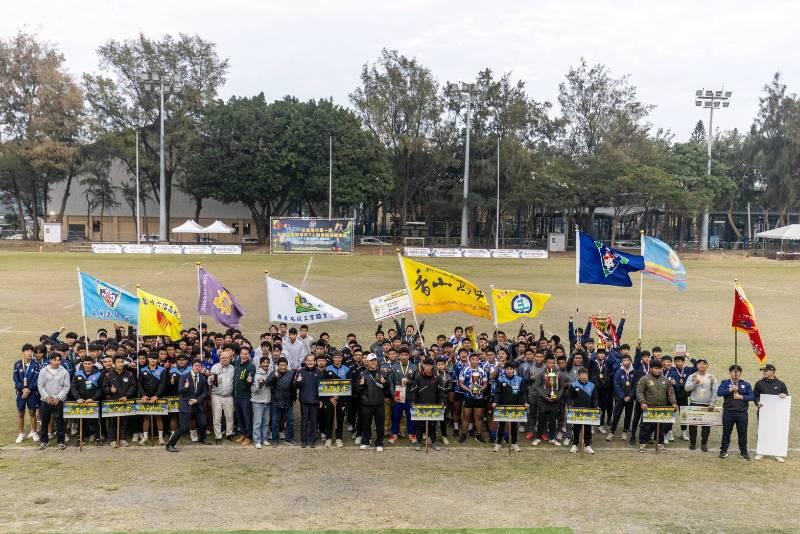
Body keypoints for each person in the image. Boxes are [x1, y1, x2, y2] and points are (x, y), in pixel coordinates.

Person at [165, 360, 211, 452]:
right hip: (186, 404)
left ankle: (202, 438)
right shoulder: (184, 376)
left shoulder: (202, 378)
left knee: (203, 424)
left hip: (197, 404)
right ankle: (170, 445)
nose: (197, 367)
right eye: (196, 365)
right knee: (183, 427)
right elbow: (180, 391)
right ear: (192, 366)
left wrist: (197, 400)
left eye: (199, 366)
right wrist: (185, 387)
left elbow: (205, 392)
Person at [636, 360, 677, 454]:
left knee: (661, 427)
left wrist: (674, 403)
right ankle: (642, 444)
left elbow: (670, 393)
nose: (658, 370)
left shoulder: (666, 380)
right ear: (651, 369)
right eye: (655, 368)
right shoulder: (645, 379)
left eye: (659, 368)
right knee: (645, 427)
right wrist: (642, 402)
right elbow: (639, 392)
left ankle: (660, 444)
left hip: (662, 408)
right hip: (648, 408)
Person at [753, 363, 789, 462]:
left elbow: (786, 395)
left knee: (776, 431)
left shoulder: (780, 384)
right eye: (763, 370)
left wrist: (784, 395)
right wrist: (757, 402)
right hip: (763, 412)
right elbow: (755, 396)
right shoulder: (759, 383)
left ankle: (777, 453)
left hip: (777, 414)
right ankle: (761, 451)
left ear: (772, 371)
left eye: (766, 370)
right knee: (762, 431)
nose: (764, 372)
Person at [717, 364, 754, 460]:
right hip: (728, 412)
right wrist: (730, 389)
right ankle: (723, 451)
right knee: (726, 433)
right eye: (734, 371)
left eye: (737, 372)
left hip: (742, 413)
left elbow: (752, 396)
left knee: (742, 433)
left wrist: (741, 396)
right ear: (730, 372)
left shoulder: (746, 384)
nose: (736, 373)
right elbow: (719, 393)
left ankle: (744, 452)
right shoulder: (725, 382)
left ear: (740, 373)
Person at [36, 352, 71, 450]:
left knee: (60, 422)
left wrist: (58, 398)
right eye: (54, 360)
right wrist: (47, 397)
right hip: (45, 400)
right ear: (50, 360)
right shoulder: (43, 371)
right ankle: (44, 441)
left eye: (58, 360)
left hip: (58, 401)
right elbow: (40, 385)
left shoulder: (64, 371)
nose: (56, 362)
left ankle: (61, 441)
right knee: (45, 421)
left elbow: (66, 386)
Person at [409, 357, 443, 451]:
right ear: (422, 366)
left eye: (430, 365)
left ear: (432, 366)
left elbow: (440, 392)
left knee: (432, 425)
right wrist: (413, 402)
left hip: (433, 405)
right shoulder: (417, 378)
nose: (428, 367)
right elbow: (414, 392)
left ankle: (434, 442)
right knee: (419, 425)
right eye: (426, 365)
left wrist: (441, 403)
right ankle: (419, 442)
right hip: (420, 404)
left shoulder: (437, 378)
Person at [357, 353, 389, 452]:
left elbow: (387, 390)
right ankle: (366, 441)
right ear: (367, 362)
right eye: (371, 360)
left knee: (380, 424)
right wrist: (361, 385)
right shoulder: (362, 374)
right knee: (366, 424)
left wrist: (385, 383)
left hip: (379, 403)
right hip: (366, 403)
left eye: (374, 360)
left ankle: (379, 442)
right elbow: (358, 391)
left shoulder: (382, 373)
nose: (373, 362)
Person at [103, 354, 137, 447]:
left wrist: (127, 396)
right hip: (112, 401)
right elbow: (103, 388)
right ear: (114, 364)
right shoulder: (108, 375)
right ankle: (112, 439)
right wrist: (110, 390)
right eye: (118, 362)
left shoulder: (129, 374)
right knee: (111, 421)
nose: (121, 364)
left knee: (124, 421)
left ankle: (122, 438)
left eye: (122, 362)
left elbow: (133, 386)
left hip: (125, 401)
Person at [684, 358, 717, 452]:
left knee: (706, 426)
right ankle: (693, 443)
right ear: (697, 365)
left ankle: (704, 444)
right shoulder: (692, 376)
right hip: (694, 403)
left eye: (704, 364)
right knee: (692, 426)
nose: (702, 365)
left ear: (707, 365)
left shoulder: (711, 377)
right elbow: (686, 388)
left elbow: (715, 390)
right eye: (700, 364)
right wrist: (695, 382)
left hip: (707, 405)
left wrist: (712, 403)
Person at [70, 356, 104, 446]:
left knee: (95, 421)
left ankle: (97, 438)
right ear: (82, 364)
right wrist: (78, 398)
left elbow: (100, 389)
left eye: (89, 363)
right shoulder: (77, 374)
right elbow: (73, 387)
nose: (87, 365)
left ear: (93, 364)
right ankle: (81, 438)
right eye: (85, 363)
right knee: (82, 420)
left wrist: (93, 398)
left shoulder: (98, 374)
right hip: (81, 402)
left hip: (93, 401)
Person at [492, 362, 525, 452]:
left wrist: (524, 402)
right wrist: (495, 402)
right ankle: (498, 443)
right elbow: (497, 392)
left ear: (514, 370)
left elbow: (522, 393)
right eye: (507, 369)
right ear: (505, 370)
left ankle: (514, 444)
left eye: (511, 369)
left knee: (514, 426)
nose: (509, 371)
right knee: (501, 425)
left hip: (515, 406)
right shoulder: (500, 379)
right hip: (503, 406)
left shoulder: (519, 379)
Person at [137, 352, 168, 445]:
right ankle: (145, 438)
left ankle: (160, 438)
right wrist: (143, 395)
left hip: (158, 397)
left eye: (155, 358)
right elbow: (139, 384)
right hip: (145, 397)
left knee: (159, 417)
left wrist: (157, 395)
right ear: (148, 359)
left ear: (157, 360)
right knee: (146, 417)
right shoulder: (143, 370)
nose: (153, 360)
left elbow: (163, 385)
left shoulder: (162, 370)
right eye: (151, 358)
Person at [533, 355, 564, 446]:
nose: (551, 364)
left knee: (552, 421)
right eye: (549, 363)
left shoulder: (559, 374)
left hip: (554, 401)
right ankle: (538, 438)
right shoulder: (542, 374)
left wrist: (558, 396)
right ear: (546, 363)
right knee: (541, 420)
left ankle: (552, 438)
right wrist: (544, 396)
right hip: (544, 401)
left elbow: (562, 387)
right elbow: (536, 386)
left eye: (553, 363)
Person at [389, 347, 418, 444]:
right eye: (402, 355)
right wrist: (393, 395)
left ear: (409, 356)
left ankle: (411, 434)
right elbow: (391, 383)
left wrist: (409, 381)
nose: (404, 357)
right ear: (398, 356)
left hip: (410, 396)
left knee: (410, 416)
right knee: (396, 416)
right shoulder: (394, 367)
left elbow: (417, 382)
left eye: (406, 355)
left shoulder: (414, 367)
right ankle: (394, 434)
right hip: (398, 395)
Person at [567, 367, 598, 454]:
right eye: (582, 374)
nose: (584, 376)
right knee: (576, 428)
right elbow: (569, 397)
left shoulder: (592, 385)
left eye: (585, 374)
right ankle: (574, 444)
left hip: (589, 411)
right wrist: (569, 406)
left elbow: (595, 398)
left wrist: (596, 406)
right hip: (576, 411)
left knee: (588, 429)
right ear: (578, 375)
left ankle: (587, 445)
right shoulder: (573, 385)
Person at [458, 353, 488, 443]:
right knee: (466, 416)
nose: (475, 361)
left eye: (476, 359)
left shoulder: (482, 371)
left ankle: (478, 434)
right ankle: (464, 434)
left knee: (478, 416)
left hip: (479, 397)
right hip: (468, 396)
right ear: (469, 360)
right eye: (473, 359)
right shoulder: (465, 370)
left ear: (478, 361)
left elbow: (485, 384)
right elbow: (461, 383)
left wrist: (480, 390)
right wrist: (468, 390)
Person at [14, 343, 40, 444]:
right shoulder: (17, 364)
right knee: (21, 413)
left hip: (32, 392)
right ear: (23, 352)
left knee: (32, 412)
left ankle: (33, 431)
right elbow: (15, 379)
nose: (29, 353)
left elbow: (36, 379)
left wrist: (28, 389)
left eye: (31, 351)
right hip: (20, 392)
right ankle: (20, 433)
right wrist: (22, 389)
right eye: (27, 351)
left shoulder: (35, 364)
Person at [323, 351, 350, 448]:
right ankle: (329, 438)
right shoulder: (327, 369)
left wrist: (339, 396)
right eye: (335, 357)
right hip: (330, 399)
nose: (337, 359)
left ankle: (339, 438)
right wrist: (330, 397)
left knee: (340, 419)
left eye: (339, 357)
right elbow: (324, 385)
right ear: (333, 358)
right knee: (329, 419)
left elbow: (348, 386)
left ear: (341, 358)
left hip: (341, 399)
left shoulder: (346, 369)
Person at [209, 348, 236, 443]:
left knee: (229, 416)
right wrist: (211, 379)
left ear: (230, 358)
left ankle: (229, 433)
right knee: (217, 417)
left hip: (228, 396)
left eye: (226, 358)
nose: (224, 359)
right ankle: (218, 436)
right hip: (216, 395)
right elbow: (209, 381)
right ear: (220, 358)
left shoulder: (233, 368)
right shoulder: (215, 367)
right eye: (222, 358)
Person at [295, 354, 322, 448]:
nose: (310, 362)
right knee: (304, 422)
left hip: (315, 401)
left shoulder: (319, 372)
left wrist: (321, 400)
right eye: (308, 360)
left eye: (312, 360)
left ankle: (312, 441)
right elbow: (295, 386)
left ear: (315, 362)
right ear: (305, 361)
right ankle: (304, 440)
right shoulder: (300, 371)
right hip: (304, 401)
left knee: (314, 422)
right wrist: (298, 381)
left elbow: (321, 388)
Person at [267, 357, 296, 447]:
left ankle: (289, 439)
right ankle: (275, 440)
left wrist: (294, 398)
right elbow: (267, 383)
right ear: (277, 365)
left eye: (284, 365)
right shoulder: (273, 373)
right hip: (276, 401)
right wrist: (273, 377)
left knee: (290, 421)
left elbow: (293, 387)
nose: (283, 367)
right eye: (281, 365)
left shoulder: (291, 374)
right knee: (275, 422)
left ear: (287, 365)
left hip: (288, 402)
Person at [233, 347, 256, 447]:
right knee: (240, 416)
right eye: (242, 353)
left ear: (249, 355)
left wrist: (249, 380)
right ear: (240, 354)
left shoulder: (251, 366)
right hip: (236, 395)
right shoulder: (236, 364)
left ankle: (248, 436)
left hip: (245, 396)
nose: (244, 355)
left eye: (246, 354)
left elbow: (250, 378)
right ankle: (243, 433)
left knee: (247, 417)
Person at [251, 356, 272, 449]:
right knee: (257, 422)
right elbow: (253, 390)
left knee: (266, 422)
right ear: (260, 364)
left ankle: (264, 439)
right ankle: (257, 441)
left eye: (267, 362)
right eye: (264, 362)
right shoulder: (257, 375)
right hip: (257, 402)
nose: (266, 364)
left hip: (267, 402)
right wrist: (259, 384)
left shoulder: (270, 374)